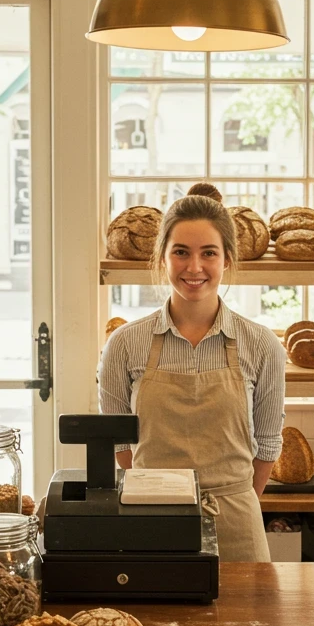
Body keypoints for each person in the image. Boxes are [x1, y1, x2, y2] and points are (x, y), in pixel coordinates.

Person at [98, 185, 286, 562]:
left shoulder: (262, 344)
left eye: (209, 253)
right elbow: (119, 445)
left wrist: (234, 497)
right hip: (152, 520)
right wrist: (159, 492)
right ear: (163, 258)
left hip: (236, 523)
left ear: (227, 260)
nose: (194, 267)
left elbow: (267, 446)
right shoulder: (124, 344)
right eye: (181, 252)